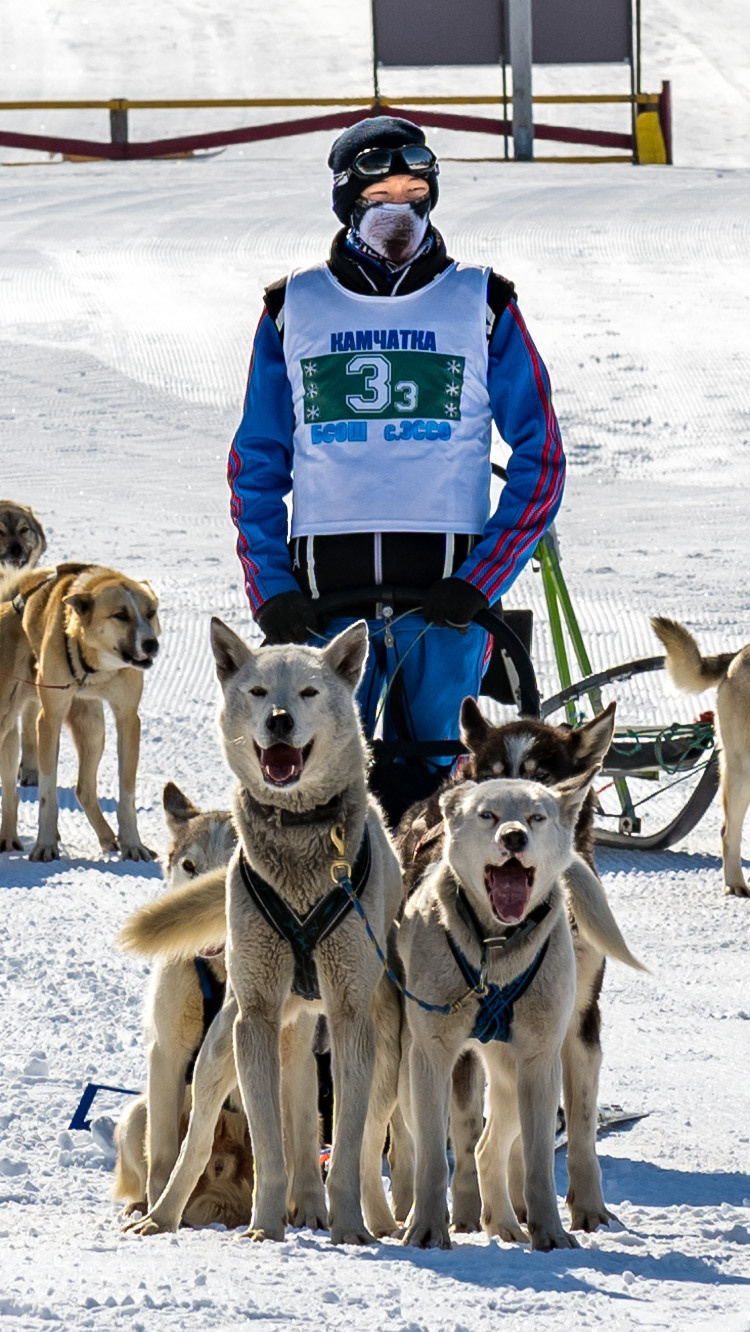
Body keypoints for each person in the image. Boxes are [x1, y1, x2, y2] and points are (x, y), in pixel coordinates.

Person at [228, 116, 565, 809]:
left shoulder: (485, 302)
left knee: (439, 788)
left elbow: (542, 455)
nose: (400, 211)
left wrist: (483, 577)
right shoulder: (293, 306)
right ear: (350, 203)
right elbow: (256, 461)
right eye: (381, 195)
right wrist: (270, 585)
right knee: (316, 788)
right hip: (323, 597)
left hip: (446, 593)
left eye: (415, 191)